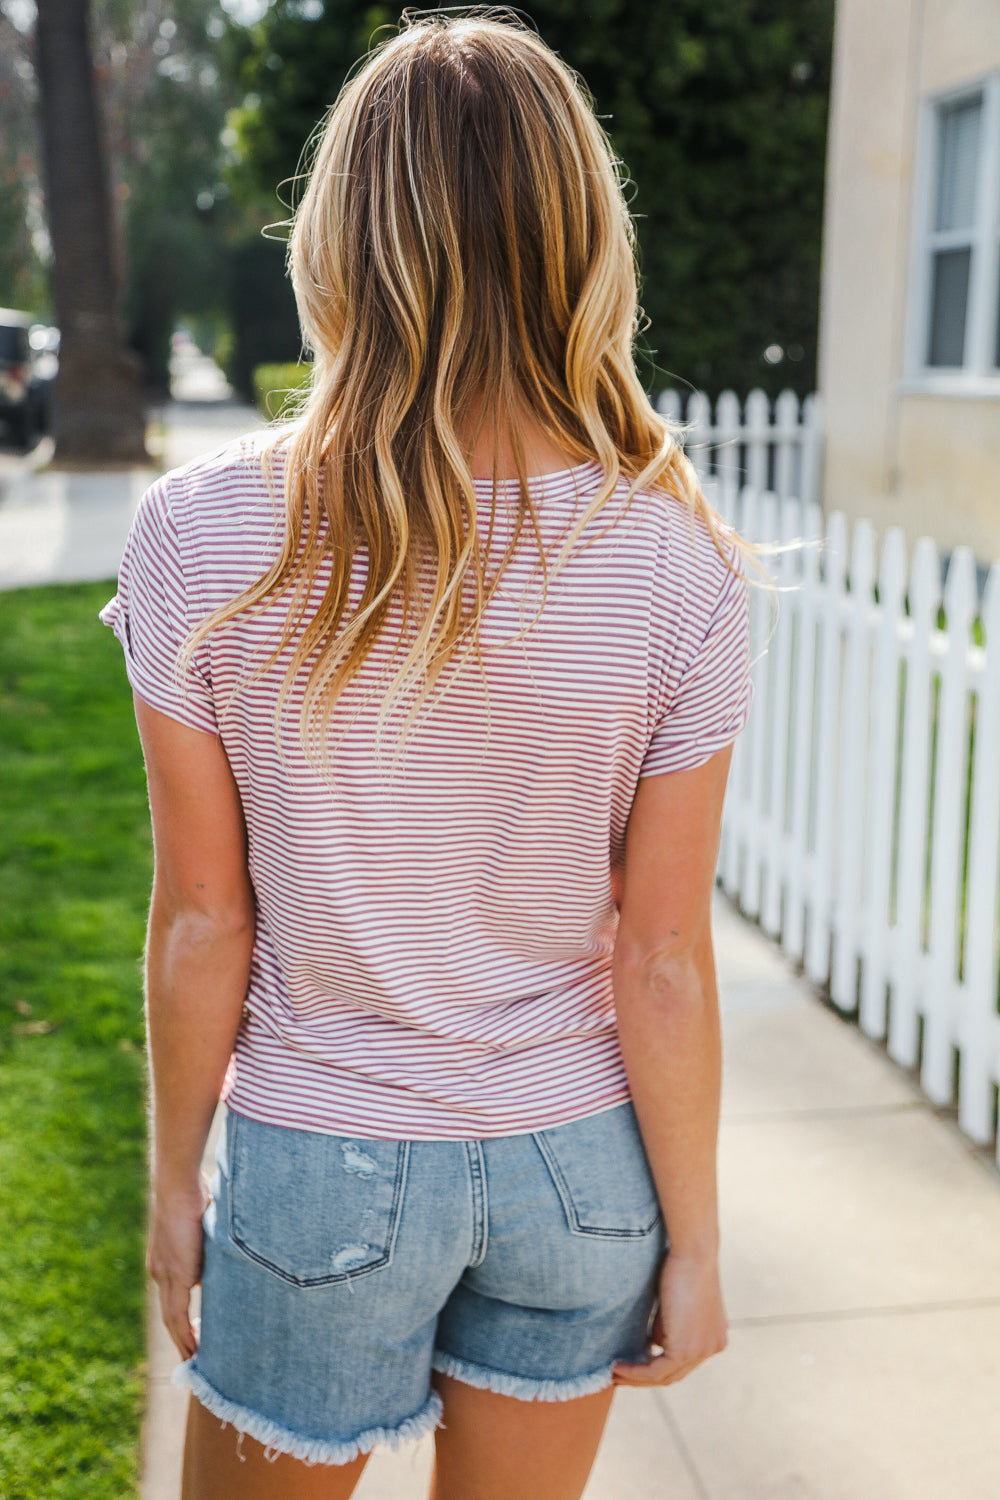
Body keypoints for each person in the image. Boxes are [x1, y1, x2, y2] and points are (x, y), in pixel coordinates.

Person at [101, 12, 754, 1498]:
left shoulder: (204, 538)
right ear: (585, 236)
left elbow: (207, 917)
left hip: (320, 1166)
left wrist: (173, 1182)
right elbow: (663, 951)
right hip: (581, 1176)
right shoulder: (677, 560)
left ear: (342, 233)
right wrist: (698, 1246)